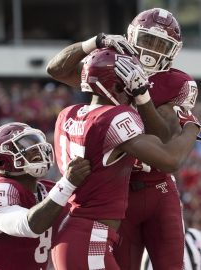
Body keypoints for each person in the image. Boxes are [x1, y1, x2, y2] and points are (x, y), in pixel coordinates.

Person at [46, 7, 199, 270]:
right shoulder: (113, 64)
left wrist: (142, 94)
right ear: (130, 36)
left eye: (160, 44)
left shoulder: (180, 83)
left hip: (157, 187)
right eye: (146, 39)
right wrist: (94, 42)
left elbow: (163, 139)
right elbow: (56, 69)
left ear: (173, 50)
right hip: (119, 189)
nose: (151, 50)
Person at [0, 122, 91, 270]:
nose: (37, 149)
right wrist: (67, 184)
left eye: (37, 143)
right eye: (26, 145)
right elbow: (30, 226)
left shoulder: (48, 190)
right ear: (1, 158)